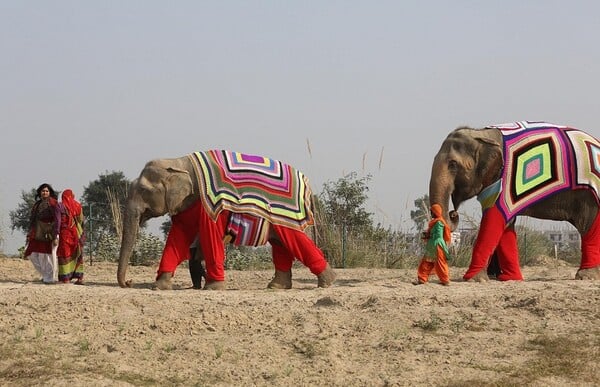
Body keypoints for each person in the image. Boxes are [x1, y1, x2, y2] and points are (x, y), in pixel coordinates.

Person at [25, 183, 61, 284]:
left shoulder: (53, 203)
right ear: (40, 192)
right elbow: (33, 220)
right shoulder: (37, 204)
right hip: (37, 232)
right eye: (43, 191)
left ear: (50, 192)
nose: (44, 193)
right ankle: (45, 274)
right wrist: (29, 233)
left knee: (46, 255)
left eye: (46, 191)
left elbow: (58, 219)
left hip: (49, 232)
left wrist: (55, 235)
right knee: (31, 254)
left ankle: (49, 278)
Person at [414, 203, 451, 286]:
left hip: (437, 245)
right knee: (426, 262)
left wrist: (429, 235)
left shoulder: (439, 223)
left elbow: (438, 235)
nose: (431, 214)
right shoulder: (434, 222)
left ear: (436, 212)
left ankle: (445, 280)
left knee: (440, 263)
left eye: (432, 212)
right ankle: (422, 279)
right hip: (432, 245)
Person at [57, 189, 85, 284]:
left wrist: (55, 232)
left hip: (64, 233)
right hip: (76, 233)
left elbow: (58, 221)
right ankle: (79, 277)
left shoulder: (60, 206)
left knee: (64, 254)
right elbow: (81, 220)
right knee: (77, 253)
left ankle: (66, 278)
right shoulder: (78, 206)